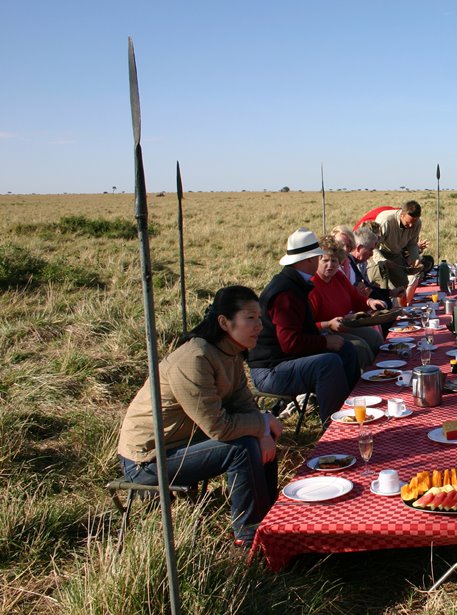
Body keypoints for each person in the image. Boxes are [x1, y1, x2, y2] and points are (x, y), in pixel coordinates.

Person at [117, 285, 281, 547]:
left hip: (185, 443)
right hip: (148, 459)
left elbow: (243, 403)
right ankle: (248, 537)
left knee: (257, 436)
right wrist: (261, 423)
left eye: (259, 318)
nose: (259, 326)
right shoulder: (195, 358)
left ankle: (271, 518)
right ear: (224, 322)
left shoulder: (231, 353)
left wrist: (262, 428)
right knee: (241, 447)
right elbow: (219, 428)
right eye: (250, 318)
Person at [248, 228, 360, 420]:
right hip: (271, 369)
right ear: (309, 260)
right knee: (328, 363)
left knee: (346, 349)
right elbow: (290, 343)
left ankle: (353, 409)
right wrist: (325, 343)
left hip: (284, 361)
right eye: (318, 257)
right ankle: (336, 425)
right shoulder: (286, 293)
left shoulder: (293, 284)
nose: (319, 261)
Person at [308, 235, 386, 367]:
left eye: (334, 261)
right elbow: (308, 325)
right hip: (323, 332)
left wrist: (369, 302)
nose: (330, 265)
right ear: (317, 260)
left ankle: (387, 369)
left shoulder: (338, 277)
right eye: (325, 260)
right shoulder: (311, 285)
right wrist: (327, 324)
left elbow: (355, 298)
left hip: (344, 325)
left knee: (374, 337)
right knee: (360, 347)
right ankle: (368, 381)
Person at [367, 201, 423, 292]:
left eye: (414, 222)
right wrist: (382, 260)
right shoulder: (386, 221)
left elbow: (412, 243)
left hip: (395, 253)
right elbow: (373, 246)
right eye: (408, 223)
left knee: (402, 284)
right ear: (402, 215)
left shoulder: (417, 223)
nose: (411, 225)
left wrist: (415, 258)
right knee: (382, 285)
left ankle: (401, 306)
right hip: (376, 252)